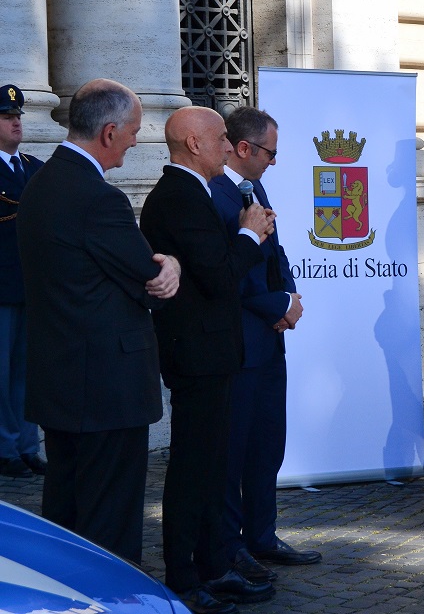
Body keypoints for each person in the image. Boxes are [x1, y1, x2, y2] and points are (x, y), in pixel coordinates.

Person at [17, 78, 181, 563]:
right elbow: (149, 280)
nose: (136, 140)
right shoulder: (97, 197)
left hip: (63, 380)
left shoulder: (42, 182)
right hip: (106, 387)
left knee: (66, 513)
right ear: (109, 133)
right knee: (108, 523)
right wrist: (169, 262)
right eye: (132, 130)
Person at [141, 106, 275, 614]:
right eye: (220, 138)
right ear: (194, 144)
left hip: (213, 352)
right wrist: (248, 234)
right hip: (195, 354)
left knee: (213, 465)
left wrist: (245, 234)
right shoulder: (176, 196)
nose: (228, 146)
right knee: (194, 468)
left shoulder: (194, 192)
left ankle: (214, 565)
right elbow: (218, 275)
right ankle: (184, 574)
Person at [209, 107, 319, 582]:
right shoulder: (214, 192)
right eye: (271, 152)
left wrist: (290, 296)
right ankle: (232, 548)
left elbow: (274, 250)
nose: (275, 162)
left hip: (269, 340)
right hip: (241, 340)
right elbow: (230, 271)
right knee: (234, 451)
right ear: (246, 148)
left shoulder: (254, 186)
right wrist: (277, 304)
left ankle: (262, 535)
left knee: (266, 445)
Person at [0, 84, 46, 478]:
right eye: (7, 117)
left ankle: (28, 446)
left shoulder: (34, 167)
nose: (16, 122)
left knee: (28, 374)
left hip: (32, 286)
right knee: (0, 374)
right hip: (1, 289)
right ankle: (5, 447)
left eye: (17, 116)